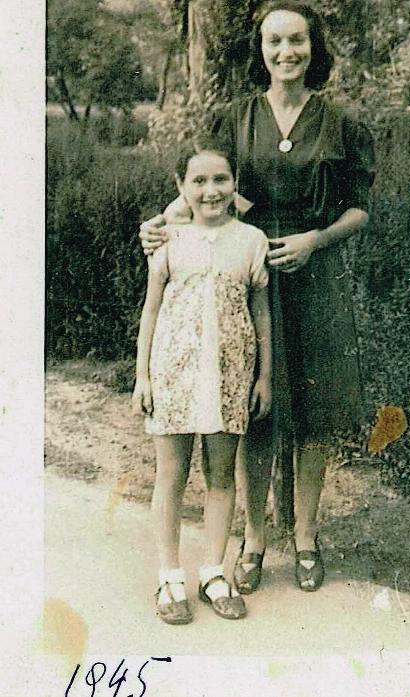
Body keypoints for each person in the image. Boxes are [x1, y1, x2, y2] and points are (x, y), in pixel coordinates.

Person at [140, 0, 375, 594]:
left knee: (315, 414)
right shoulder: (236, 119)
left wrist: (315, 240)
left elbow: (360, 211)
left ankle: (306, 539)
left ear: (313, 48)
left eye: (297, 41)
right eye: (274, 42)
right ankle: (253, 539)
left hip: (316, 278)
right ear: (261, 50)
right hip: (243, 276)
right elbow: (205, 189)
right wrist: (161, 223)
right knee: (252, 408)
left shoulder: (341, 123)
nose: (286, 52)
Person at [132, 138, 272, 624]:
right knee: (171, 475)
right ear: (180, 187)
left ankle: (214, 571)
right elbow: (151, 309)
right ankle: (169, 576)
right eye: (198, 181)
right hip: (174, 373)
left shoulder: (250, 240)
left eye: (221, 180)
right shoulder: (168, 239)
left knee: (220, 474)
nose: (210, 191)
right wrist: (142, 376)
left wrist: (265, 378)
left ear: (235, 185)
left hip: (232, 375)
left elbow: (261, 313)